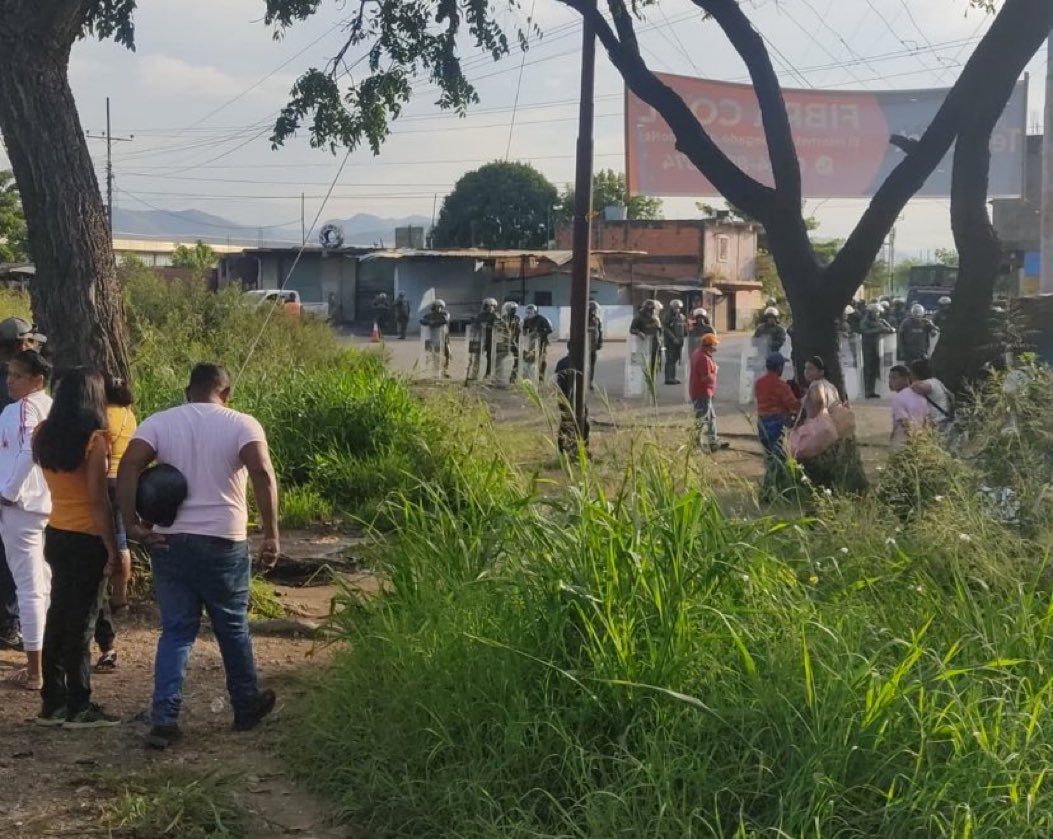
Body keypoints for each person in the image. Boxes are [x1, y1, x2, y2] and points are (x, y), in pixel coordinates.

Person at [116, 364, 280, 750]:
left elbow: (128, 466)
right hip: (224, 541)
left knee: (176, 631)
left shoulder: (159, 422)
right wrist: (271, 533)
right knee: (232, 626)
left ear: (188, 390)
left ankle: (165, 718)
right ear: (227, 393)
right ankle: (245, 706)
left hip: (169, 541)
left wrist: (131, 523)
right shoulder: (242, 424)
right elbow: (262, 473)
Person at [33, 369, 125, 728]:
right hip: (87, 536)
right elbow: (98, 501)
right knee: (83, 621)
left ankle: (52, 701)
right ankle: (79, 704)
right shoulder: (95, 441)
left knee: (57, 616)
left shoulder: (44, 435)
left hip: (56, 531)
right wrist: (112, 550)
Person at [0, 350, 53, 690]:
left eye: (17, 375)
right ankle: (42, 659)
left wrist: (9, 491)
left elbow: (28, 448)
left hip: (22, 505)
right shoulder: (50, 405)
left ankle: (35, 671)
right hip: (44, 501)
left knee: (29, 585)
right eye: (9, 374)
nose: (10, 381)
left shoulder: (24, 407)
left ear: (37, 380)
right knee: (41, 581)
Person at [93, 373, 137, 673]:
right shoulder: (130, 417)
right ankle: (121, 597)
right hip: (125, 481)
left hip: (105, 480)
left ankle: (107, 592)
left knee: (108, 538)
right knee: (122, 540)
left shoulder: (101, 416)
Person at [754, 352, 800, 501]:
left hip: (762, 423)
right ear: (779, 367)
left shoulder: (759, 383)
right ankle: (768, 493)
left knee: (771, 458)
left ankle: (781, 491)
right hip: (775, 423)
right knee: (777, 460)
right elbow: (793, 404)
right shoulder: (781, 385)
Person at [689, 333, 729, 453]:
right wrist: (715, 371)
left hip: (701, 391)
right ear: (708, 346)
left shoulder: (698, 353)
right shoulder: (703, 358)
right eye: (714, 345)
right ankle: (696, 444)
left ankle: (713, 442)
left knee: (711, 418)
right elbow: (705, 378)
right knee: (702, 419)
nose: (715, 348)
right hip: (702, 392)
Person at [555, 343, 589, 455]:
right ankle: (579, 448)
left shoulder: (562, 362)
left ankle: (563, 448)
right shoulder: (579, 363)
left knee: (565, 422)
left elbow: (557, 381)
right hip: (571, 397)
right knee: (581, 422)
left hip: (563, 397)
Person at [888, 364, 929, 450]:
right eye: (890, 378)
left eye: (894, 378)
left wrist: (912, 441)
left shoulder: (899, 398)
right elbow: (926, 420)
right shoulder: (920, 395)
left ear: (906, 378)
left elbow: (904, 422)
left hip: (905, 441)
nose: (890, 381)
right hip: (921, 439)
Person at [909, 357, 954, 435]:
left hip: (939, 423)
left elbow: (921, 387)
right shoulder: (936, 381)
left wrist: (910, 384)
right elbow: (952, 396)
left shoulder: (927, 384)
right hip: (945, 420)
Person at [860, 303, 894, 398]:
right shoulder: (865, 321)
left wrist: (885, 327)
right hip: (867, 348)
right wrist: (879, 329)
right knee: (868, 370)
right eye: (877, 312)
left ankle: (872, 391)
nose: (878, 314)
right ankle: (867, 391)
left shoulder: (880, 321)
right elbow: (864, 331)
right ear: (871, 312)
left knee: (875, 370)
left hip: (877, 347)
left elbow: (891, 329)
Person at [629, 300, 662, 382]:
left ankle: (652, 382)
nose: (651, 312)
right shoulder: (638, 317)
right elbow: (632, 329)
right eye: (649, 310)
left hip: (655, 344)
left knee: (654, 365)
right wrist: (639, 332)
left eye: (653, 310)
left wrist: (660, 341)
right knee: (644, 364)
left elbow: (660, 330)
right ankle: (643, 381)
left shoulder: (656, 318)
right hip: (644, 345)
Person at [418, 299, 452, 378]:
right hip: (433, 337)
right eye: (437, 307)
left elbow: (445, 320)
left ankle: (444, 370)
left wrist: (434, 322)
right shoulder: (429, 315)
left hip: (444, 337)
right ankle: (436, 371)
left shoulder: (445, 313)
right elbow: (422, 320)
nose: (439, 309)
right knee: (435, 355)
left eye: (441, 307)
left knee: (447, 354)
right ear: (434, 307)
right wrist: (429, 322)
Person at [521, 304, 554, 380]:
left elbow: (550, 329)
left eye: (531, 312)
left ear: (535, 312)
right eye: (528, 312)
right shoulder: (526, 320)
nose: (529, 314)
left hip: (542, 342)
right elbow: (524, 330)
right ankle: (529, 375)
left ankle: (541, 376)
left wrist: (540, 332)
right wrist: (525, 332)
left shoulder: (542, 319)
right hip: (531, 342)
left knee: (542, 358)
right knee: (531, 358)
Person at [473, 298, 499, 379]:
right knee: (477, 356)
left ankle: (488, 373)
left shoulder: (496, 315)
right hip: (480, 337)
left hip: (491, 338)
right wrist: (479, 325)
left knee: (490, 356)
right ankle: (475, 372)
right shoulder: (480, 315)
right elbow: (476, 324)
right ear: (485, 306)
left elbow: (497, 325)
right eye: (488, 306)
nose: (490, 308)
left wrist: (488, 326)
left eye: (492, 306)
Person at [662, 299, 687, 386]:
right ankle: (668, 378)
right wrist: (673, 338)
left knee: (676, 359)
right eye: (675, 308)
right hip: (671, 342)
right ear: (672, 307)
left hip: (679, 341)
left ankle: (673, 377)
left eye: (679, 308)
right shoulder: (668, 316)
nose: (677, 309)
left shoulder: (682, 317)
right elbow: (665, 329)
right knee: (670, 359)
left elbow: (684, 328)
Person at [500, 301, 522, 384]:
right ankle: (500, 376)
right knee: (500, 359)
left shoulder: (517, 318)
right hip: (505, 342)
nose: (514, 311)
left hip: (514, 342)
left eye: (515, 309)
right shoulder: (504, 318)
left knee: (518, 360)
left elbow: (519, 329)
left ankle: (512, 378)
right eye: (513, 309)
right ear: (508, 309)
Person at [586, 301, 603, 391]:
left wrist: (600, 342)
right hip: (584, 347)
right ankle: (583, 381)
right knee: (583, 365)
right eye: (594, 310)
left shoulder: (597, 320)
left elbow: (600, 332)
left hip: (593, 347)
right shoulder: (583, 319)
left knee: (592, 365)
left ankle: (590, 382)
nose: (595, 312)